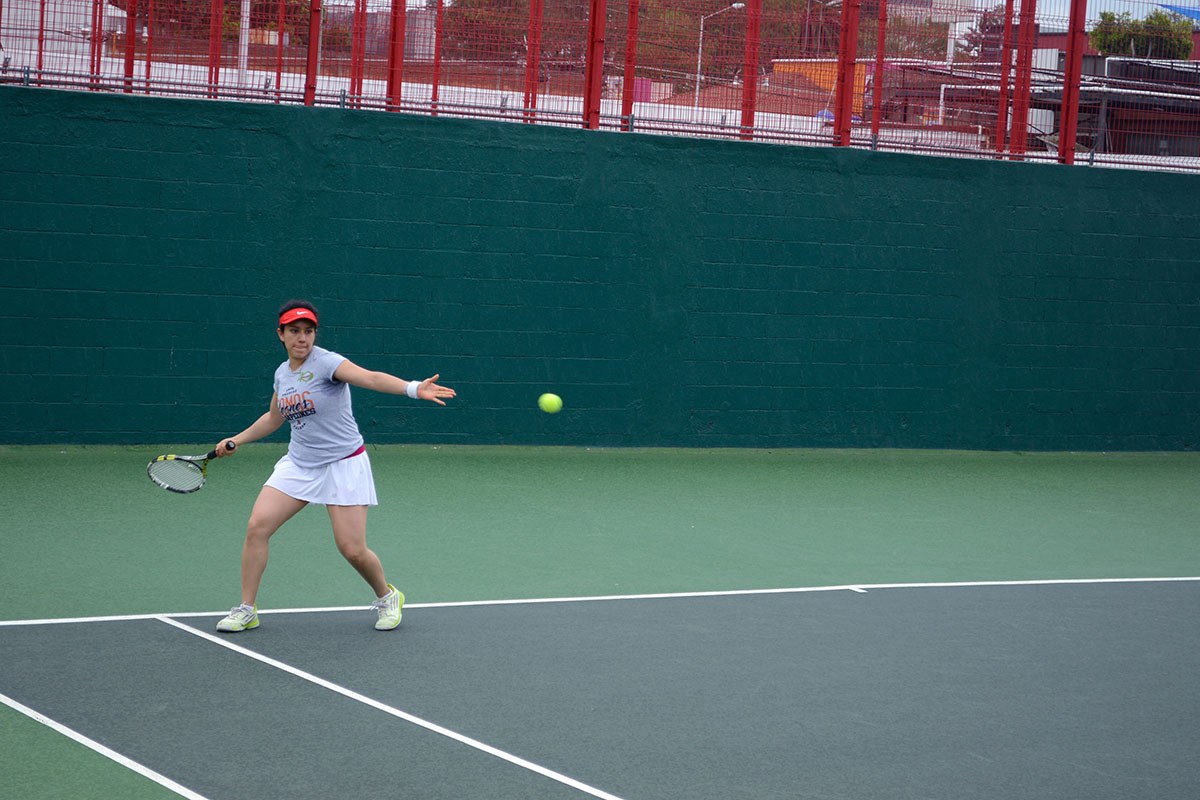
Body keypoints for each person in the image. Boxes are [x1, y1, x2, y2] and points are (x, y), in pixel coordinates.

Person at [212, 300, 455, 633]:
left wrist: (412, 388)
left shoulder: (327, 363)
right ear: (280, 334)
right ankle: (246, 608)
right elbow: (273, 418)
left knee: (352, 549)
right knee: (258, 527)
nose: (302, 338)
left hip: (343, 464)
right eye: (294, 331)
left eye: (308, 331)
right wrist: (237, 440)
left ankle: (387, 595)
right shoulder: (282, 374)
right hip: (299, 464)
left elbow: (369, 378)